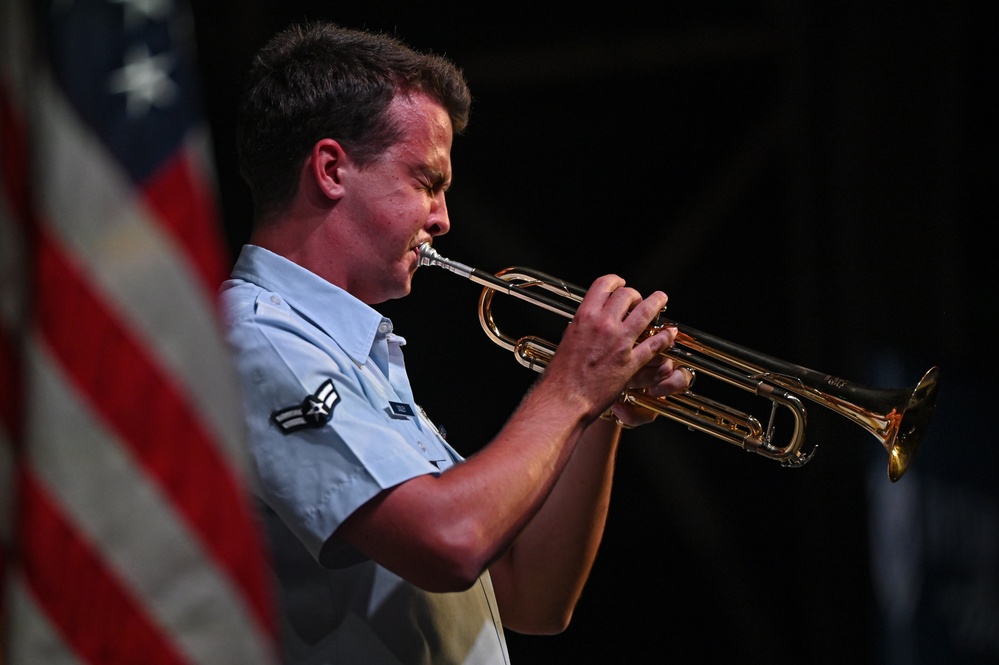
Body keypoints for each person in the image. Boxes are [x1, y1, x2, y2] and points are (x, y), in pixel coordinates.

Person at [221, 21, 691, 664]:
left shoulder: (356, 355)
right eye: (426, 182)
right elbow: (450, 539)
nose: (442, 218)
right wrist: (572, 383)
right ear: (331, 169)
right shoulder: (256, 340)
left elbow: (534, 599)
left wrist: (600, 406)